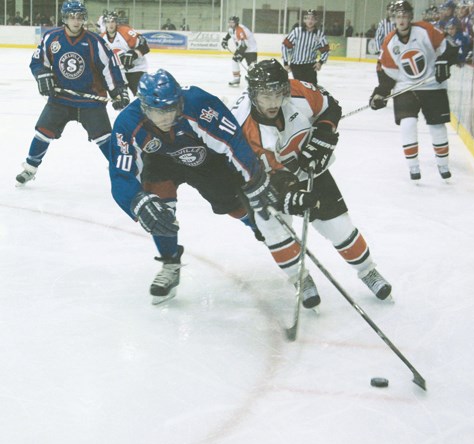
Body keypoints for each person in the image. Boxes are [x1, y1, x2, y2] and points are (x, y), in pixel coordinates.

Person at [108, 69, 279, 305]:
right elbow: (120, 174)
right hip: (160, 161)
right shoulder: (127, 123)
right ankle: (170, 263)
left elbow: (235, 142)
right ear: (145, 108)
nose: (167, 117)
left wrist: (254, 179)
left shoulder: (200, 104)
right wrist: (136, 203)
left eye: (171, 108)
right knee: (157, 210)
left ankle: (263, 229)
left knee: (233, 204)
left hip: (207, 159)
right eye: (159, 111)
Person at [231, 59, 393, 307]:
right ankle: (300, 278)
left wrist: (323, 136)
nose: (274, 102)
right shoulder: (242, 126)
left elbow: (330, 108)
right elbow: (253, 175)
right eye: (265, 96)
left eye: (278, 93)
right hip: (265, 184)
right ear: (253, 94)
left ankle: (368, 270)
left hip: (311, 171)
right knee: (276, 232)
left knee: (340, 228)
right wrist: (288, 195)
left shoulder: (299, 92)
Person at [15, 0, 129, 186]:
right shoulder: (52, 38)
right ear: (65, 18)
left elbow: (110, 67)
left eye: (79, 17)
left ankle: (122, 171)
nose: (76, 21)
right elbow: (38, 61)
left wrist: (118, 91)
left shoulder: (95, 42)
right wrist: (42, 75)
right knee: (43, 132)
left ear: (84, 18)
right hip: (60, 99)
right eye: (71, 17)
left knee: (104, 138)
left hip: (90, 102)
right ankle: (30, 168)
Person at [369, 0, 459, 181]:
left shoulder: (425, 30)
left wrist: (444, 63)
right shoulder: (389, 42)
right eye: (398, 16)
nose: (401, 20)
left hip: (433, 86)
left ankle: (443, 165)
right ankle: (413, 167)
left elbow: (451, 49)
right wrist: (379, 93)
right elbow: (386, 74)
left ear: (410, 17)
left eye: (404, 16)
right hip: (406, 88)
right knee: (407, 124)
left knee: (437, 126)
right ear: (393, 19)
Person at [101, 10, 150, 95]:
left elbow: (144, 44)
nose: (111, 24)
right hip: (119, 72)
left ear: (117, 22)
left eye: (113, 21)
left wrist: (134, 53)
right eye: (108, 22)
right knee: (121, 101)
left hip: (136, 70)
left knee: (144, 98)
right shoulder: (102, 38)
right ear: (105, 23)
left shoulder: (126, 31)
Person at [281, 9, 330, 85]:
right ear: (304, 20)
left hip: (310, 66)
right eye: (308, 18)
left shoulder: (319, 34)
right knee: (301, 88)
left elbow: (326, 50)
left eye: (312, 19)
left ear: (316, 21)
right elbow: (285, 46)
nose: (310, 21)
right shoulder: (297, 31)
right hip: (296, 66)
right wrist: (285, 63)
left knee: (312, 88)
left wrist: (320, 62)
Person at [221, 16, 258, 87]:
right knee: (234, 60)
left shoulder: (240, 30)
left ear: (236, 23)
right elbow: (230, 34)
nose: (230, 24)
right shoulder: (232, 29)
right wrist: (225, 40)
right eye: (230, 22)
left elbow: (245, 44)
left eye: (232, 22)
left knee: (252, 66)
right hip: (241, 47)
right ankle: (236, 79)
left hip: (251, 50)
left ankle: (255, 80)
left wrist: (239, 54)